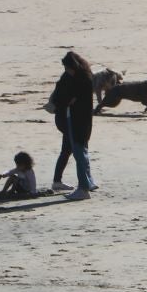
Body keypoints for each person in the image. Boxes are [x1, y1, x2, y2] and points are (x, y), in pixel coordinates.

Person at [48, 51, 98, 199]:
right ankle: (87, 183)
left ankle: (83, 189)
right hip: (83, 120)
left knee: (78, 153)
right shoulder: (85, 76)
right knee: (81, 151)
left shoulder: (78, 80)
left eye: (67, 67)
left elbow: (68, 99)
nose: (66, 70)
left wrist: (58, 104)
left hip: (76, 120)